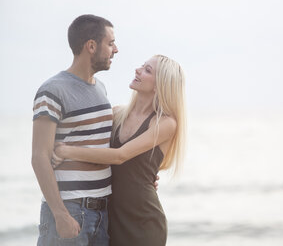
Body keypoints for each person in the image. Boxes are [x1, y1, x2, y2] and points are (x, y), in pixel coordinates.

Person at [52, 54, 186, 246]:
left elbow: (119, 156)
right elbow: (94, 149)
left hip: (144, 222)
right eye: (142, 65)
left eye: (147, 70)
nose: (138, 70)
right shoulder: (116, 114)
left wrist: (67, 151)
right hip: (109, 217)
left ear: (160, 85)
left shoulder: (165, 123)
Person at [32, 14, 118, 246]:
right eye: (110, 43)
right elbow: (39, 156)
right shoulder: (53, 90)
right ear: (91, 46)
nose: (116, 50)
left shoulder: (101, 88)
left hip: (102, 212)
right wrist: (60, 214)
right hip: (71, 210)